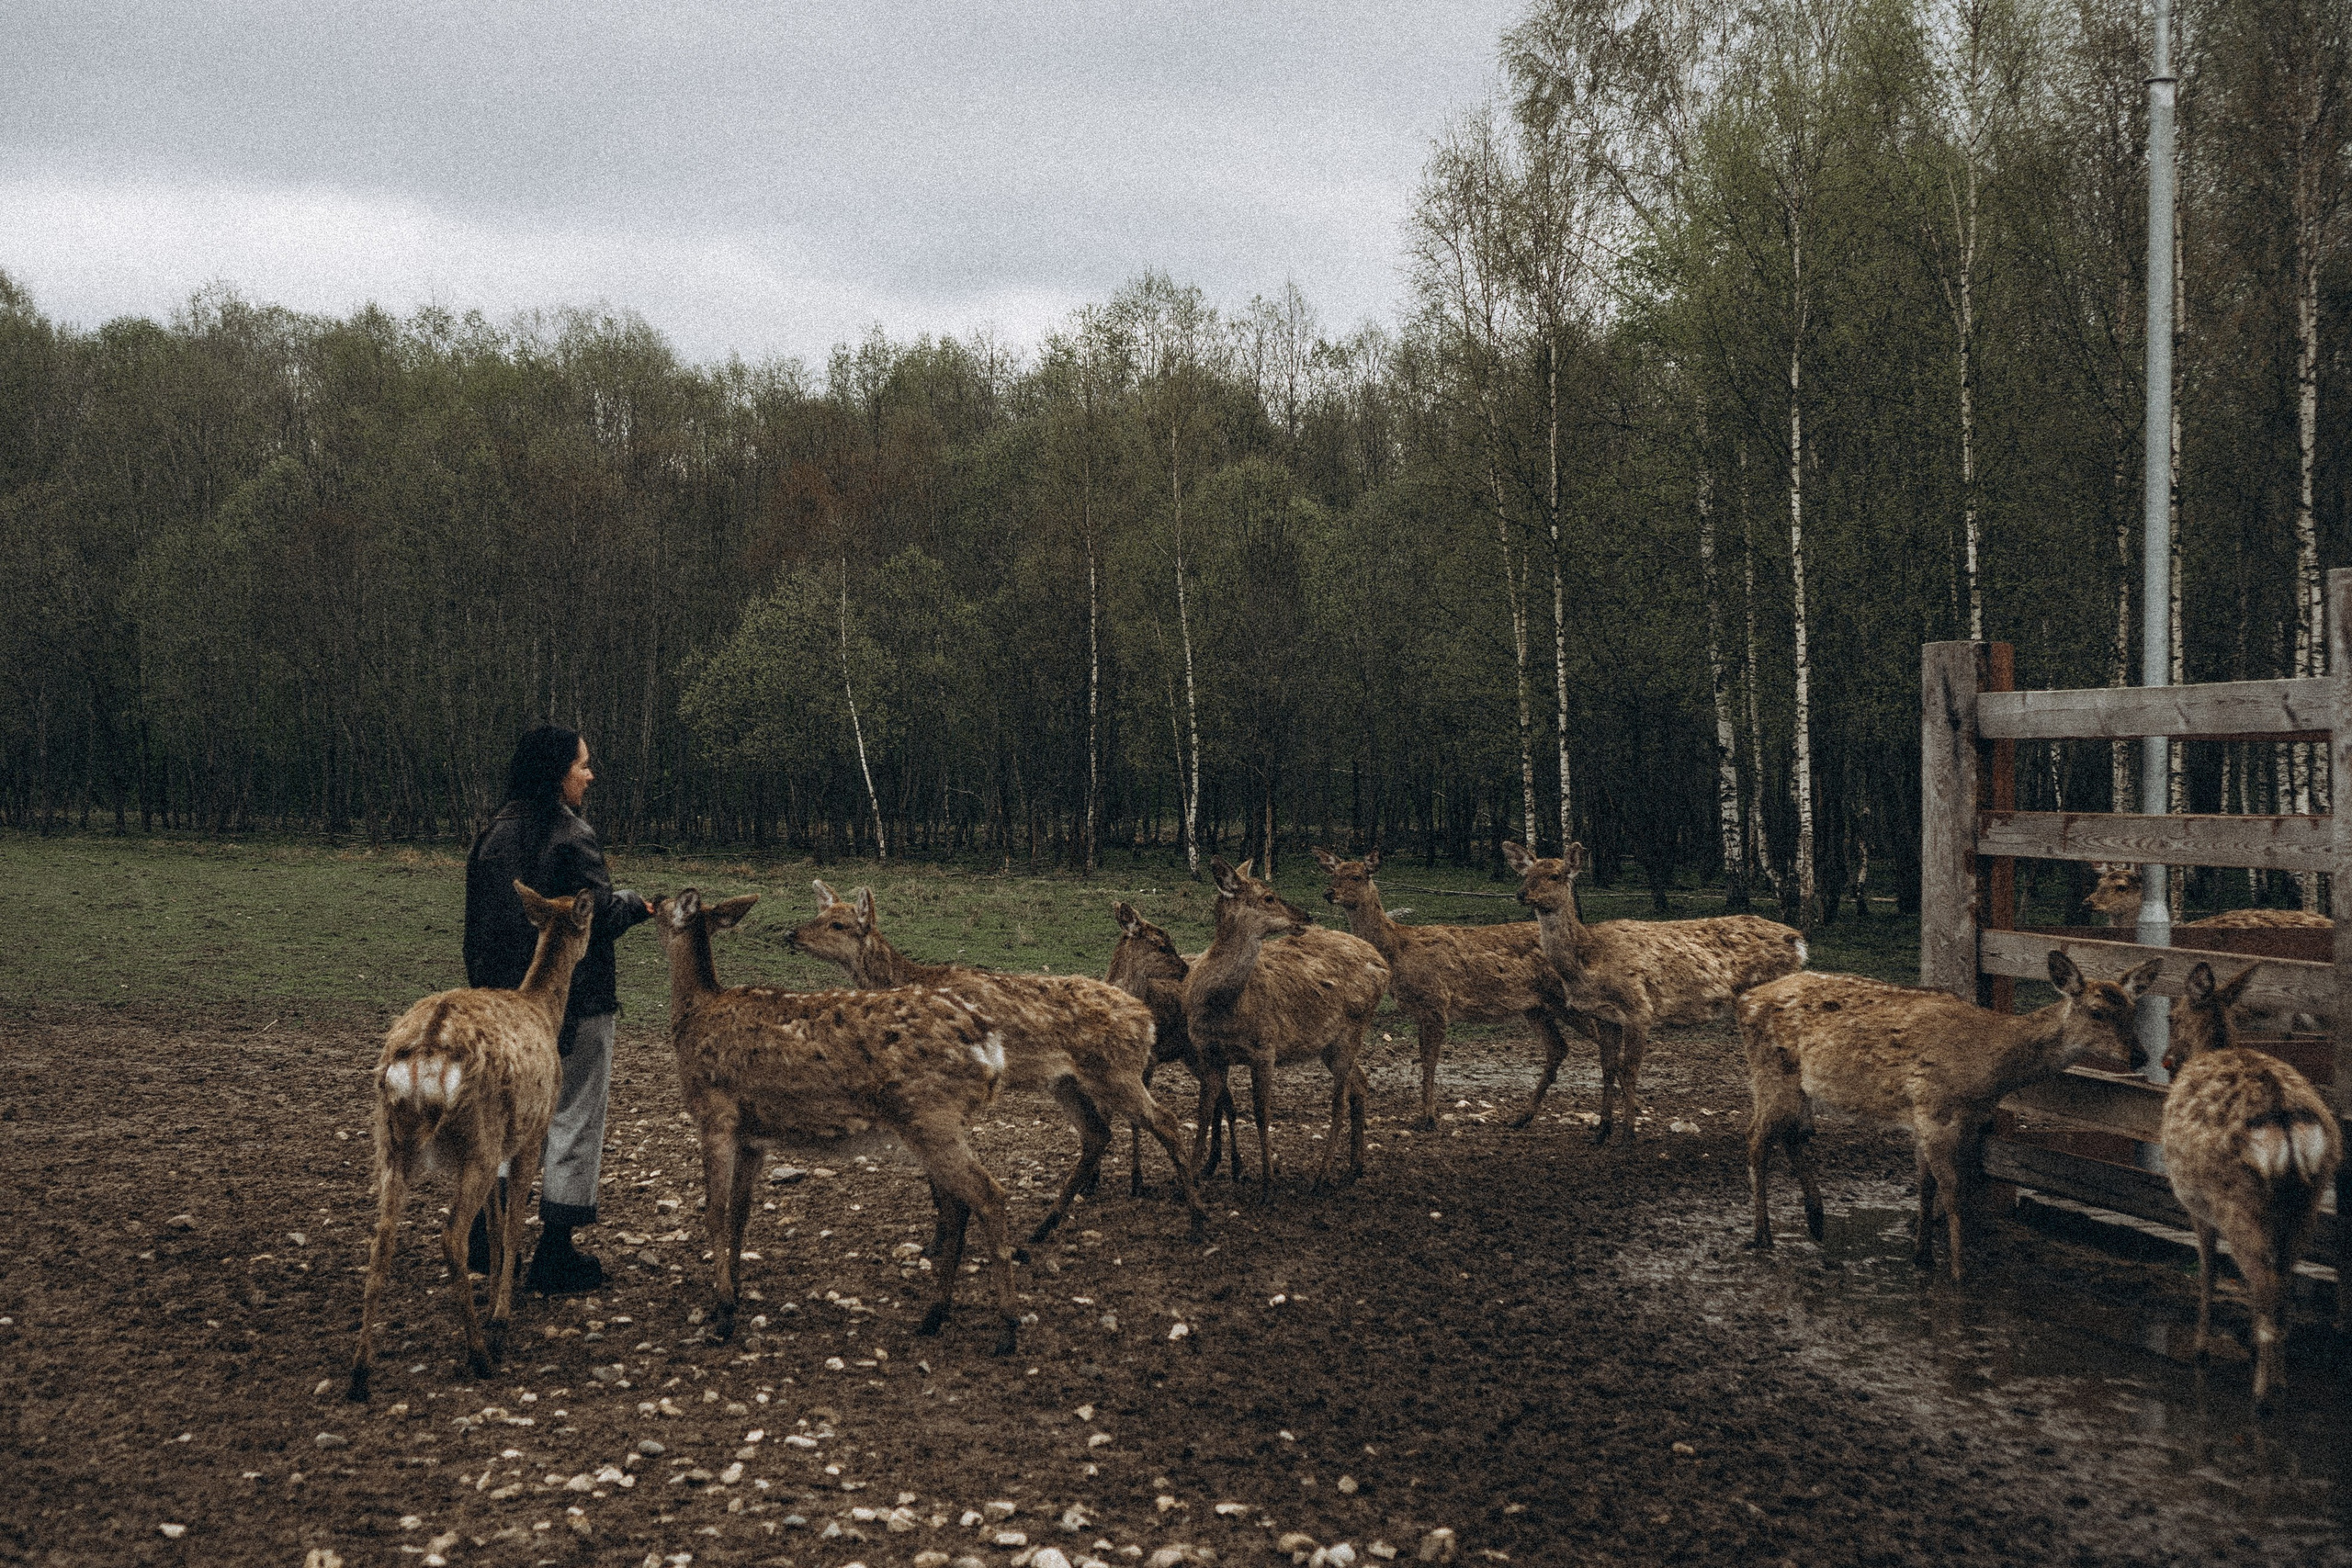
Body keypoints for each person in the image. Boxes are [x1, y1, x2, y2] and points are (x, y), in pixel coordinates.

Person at [462, 724, 650, 1294]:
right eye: (582, 765)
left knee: (504, 1117)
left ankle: (487, 1244)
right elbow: (592, 918)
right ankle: (556, 1251)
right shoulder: (573, 835)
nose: (589, 775)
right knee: (575, 1116)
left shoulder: (491, 834)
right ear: (557, 772)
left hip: (503, 1010)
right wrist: (634, 905)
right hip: (579, 1002)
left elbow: (479, 932)